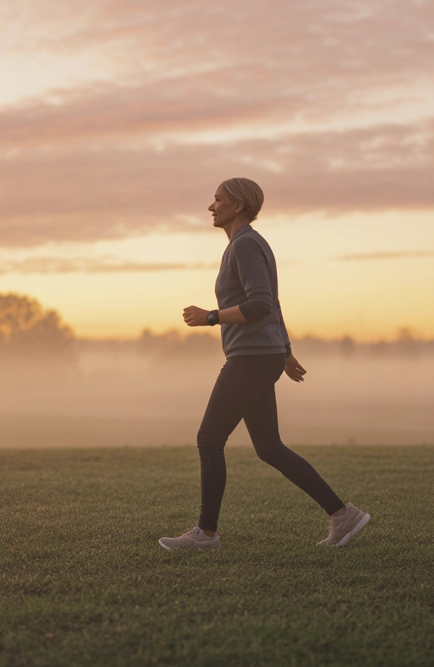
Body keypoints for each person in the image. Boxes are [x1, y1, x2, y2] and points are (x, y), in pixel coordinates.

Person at [158, 177, 370, 551]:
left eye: (218, 199)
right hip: (262, 354)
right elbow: (273, 301)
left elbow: (262, 305)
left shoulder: (245, 245)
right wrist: (284, 349)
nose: (211, 206)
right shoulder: (248, 245)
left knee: (209, 438)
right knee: (269, 447)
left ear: (238, 206)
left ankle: (206, 534)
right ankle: (342, 515)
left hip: (251, 358)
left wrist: (212, 316)